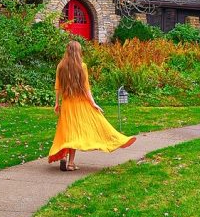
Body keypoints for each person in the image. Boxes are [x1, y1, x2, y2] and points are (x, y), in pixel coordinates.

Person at [49, 39, 136, 171]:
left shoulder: (60, 66)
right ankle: (71, 163)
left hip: (66, 104)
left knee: (67, 131)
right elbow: (86, 87)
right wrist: (93, 103)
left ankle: (64, 157)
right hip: (80, 103)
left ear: (67, 51)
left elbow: (57, 87)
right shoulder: (82, 66)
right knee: (79, 131)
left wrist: (56, 103)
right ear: (78, 52)